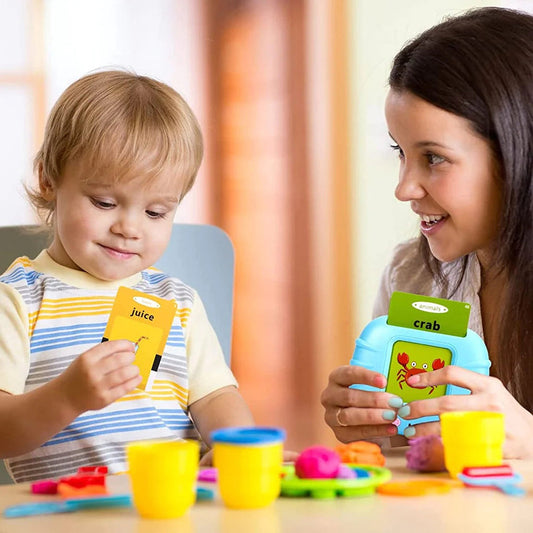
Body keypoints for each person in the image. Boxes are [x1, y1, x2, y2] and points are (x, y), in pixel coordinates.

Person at [0, 70, 254, 482]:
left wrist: (237, 448)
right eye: (104, 202)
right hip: (66, 517)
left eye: (156, 212)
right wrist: (68, 396)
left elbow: (216, 396)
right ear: (49, 179)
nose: (130, 228)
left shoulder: (176, 301)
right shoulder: (18, 300)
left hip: (173, 507)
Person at [321, 7, 533, 459]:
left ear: (518, 152)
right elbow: (408, 446)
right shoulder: (412, 274)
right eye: (400, 152)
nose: (403, 188)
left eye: (433, 157)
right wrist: (372, 425)